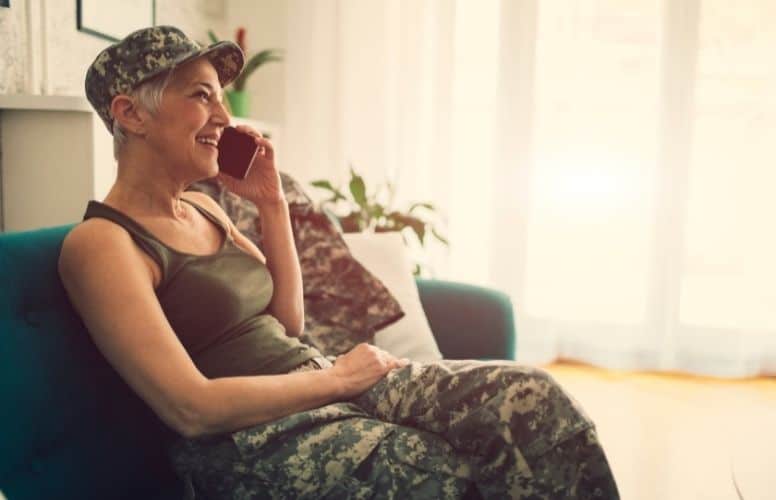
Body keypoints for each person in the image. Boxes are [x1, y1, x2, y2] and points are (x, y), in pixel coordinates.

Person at [58, 26, 619, 499]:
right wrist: (337, 379)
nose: (224, 116)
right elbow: (191, 409)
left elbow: (287, 323)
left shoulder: (206, 206)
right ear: (130, 114)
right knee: (456, 475)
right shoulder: (103, 243)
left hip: (317, 382)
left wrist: (271, 205)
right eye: (201, 96)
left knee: (537, 404)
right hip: (253, 441)